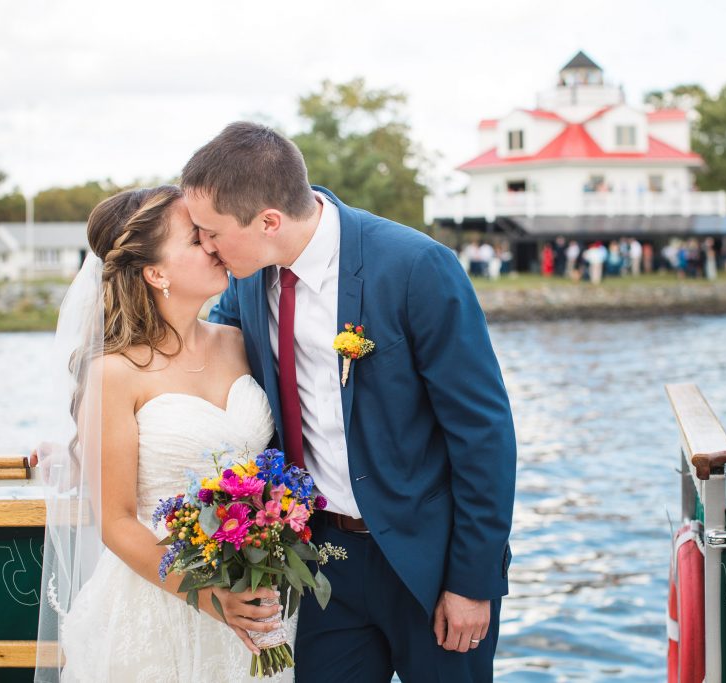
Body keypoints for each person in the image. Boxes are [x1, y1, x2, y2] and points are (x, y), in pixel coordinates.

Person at [181, 121, 517, 682]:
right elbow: (202, 375)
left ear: (269, 221)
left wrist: (471, 581)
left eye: (211, 231)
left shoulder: (415, 268)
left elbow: (484, 433)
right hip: (318, 565)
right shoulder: (243, 282)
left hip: (427, 562)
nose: (205, 246)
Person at [34, 186, 292, 682]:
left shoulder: (240, 343)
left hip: (256, 593)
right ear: (156, 273)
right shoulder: (114, 373)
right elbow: (115, 522)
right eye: (196, 240)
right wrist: (208, 594)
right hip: (158, 603)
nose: (214, 246)